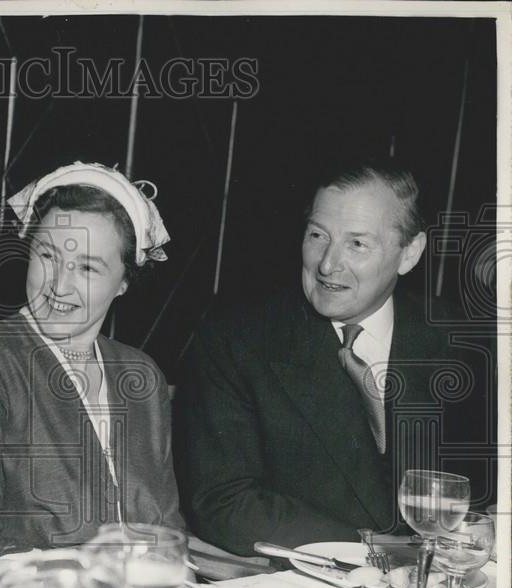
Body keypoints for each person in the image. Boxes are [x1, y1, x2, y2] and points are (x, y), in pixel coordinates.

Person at [176, 158, 492, 556]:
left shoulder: (466, 341)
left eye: (357, 243)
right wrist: (373, 550)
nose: (327, 264)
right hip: (303, 586)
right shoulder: (236, 340)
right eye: (317, 235)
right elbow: (223, 502)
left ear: (409, 253)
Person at [0, 162, 183, 586]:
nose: (59, 285)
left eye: (88, 268)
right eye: (47, 255)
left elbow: (167, 529)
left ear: (123, 283)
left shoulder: (141, 375)